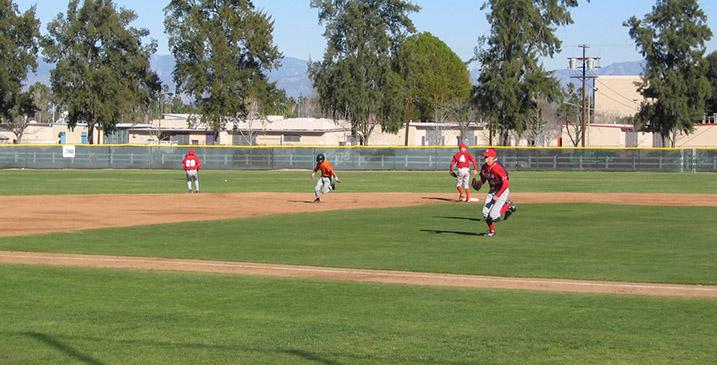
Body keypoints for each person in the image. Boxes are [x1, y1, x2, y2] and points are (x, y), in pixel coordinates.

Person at [477, 148, 516, 237]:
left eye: (487, 157)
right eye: (484, 156)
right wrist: (477, 184)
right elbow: (483, 180)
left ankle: (508, 206)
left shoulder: (497, 167)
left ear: (492, 157)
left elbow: (506, 183)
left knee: (494, 216)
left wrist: (498, 195)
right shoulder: (484, 167)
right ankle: (492, 231)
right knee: (485, 213)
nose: (485, 158)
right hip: (493, 190)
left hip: (502, 190)